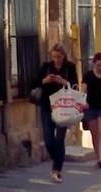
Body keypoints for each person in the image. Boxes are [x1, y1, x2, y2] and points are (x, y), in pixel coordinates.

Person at [33, 41, 79, 181]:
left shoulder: (69, 67)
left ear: (64, 56)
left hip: (63, 107)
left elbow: (75, 86)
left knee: (59, 139)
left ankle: (57, 169)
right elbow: (34, 83)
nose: (56, 59)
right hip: (47, 106)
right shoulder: (46, 67)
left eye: (59, 56)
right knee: (48, 140)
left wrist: (63, 82)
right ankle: (57, 160)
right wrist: (45, 81)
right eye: (54, 56)